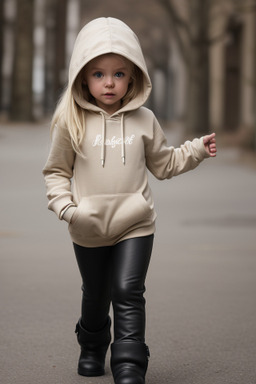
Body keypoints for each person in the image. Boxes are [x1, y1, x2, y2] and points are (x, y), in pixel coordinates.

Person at [43, 17, 217, 384]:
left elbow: (165, 163)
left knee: (127, 290)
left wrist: (197, 149)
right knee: (96, 294)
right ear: (83, 79)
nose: (109, 82)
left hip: (136, 223)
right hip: (87, 226)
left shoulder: (145, 120)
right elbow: (57, 171)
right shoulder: (70, 122)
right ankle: (92, 346)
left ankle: (128, 362)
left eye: (119, 74)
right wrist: (67, 209)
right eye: (99, 74)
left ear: (133, 78)